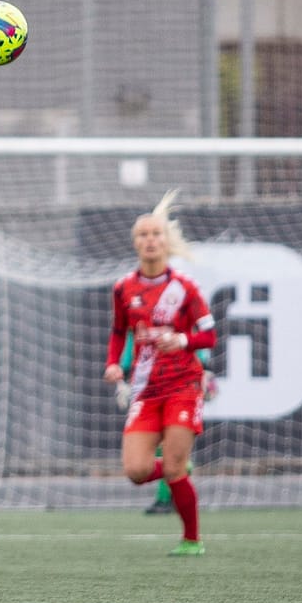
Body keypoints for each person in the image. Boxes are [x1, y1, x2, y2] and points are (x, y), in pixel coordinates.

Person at [102, 190, 216, 556]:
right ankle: (175, 468)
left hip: (183, 386)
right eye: (143, 235)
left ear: (166, 242)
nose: (150, 240)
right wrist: (113, 364)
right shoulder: (124, 288)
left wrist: (182, 339)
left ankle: (192, 540)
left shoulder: (184, 289)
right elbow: (119, 331)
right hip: (146, 390)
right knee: (136, 470)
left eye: (156, 234)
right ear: (135, 243)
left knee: (174, 466)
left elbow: (209, 334)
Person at [115, 332, 217, 515]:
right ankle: (173, 484)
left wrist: (206, 370)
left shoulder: (178, 308)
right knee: (155, 446)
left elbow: (195, 333)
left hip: (181, 384)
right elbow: (131, 342)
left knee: (169, 442)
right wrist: (122, 376)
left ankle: (166, 498)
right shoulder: (137, 311)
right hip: (147, 386)